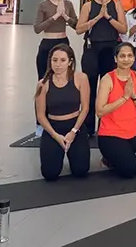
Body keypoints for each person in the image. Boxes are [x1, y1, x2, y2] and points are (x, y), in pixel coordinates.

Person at [95, 43, 136, 178]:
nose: (126, 59)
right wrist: (124, 97)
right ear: (115, 59)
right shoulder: (108, 79)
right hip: (111, 132)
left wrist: (133, 95)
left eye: (129, 56)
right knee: (129, 170)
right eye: (122, 56)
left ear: (134, 58)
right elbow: (100, 111)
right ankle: (110, 157)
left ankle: (130, 151)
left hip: (134, 130)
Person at [77, 0, 127, 133]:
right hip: (92, 50)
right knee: (89, 89)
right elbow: (79, 29)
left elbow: (123, 29)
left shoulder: (116, 5)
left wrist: (108, 16)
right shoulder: (88, 6)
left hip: (110, 50)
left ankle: (108, 126)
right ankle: (88, 127)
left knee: (110, 91)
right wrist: (98, 17)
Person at [35, 43, 90, 181]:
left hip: (75, 126)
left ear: (70, 62)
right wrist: (56, 136)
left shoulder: (81, 78)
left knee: (81, 171)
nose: (58, 64)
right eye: (55, 60)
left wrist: (73, 132)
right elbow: (41, 116)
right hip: (53, 127)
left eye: (62, 60)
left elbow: (85, 108)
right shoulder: (43, 84)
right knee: (50, 174)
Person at [34, 0, 78, 81]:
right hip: (47, 42)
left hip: (63, 41)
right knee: (44, 76)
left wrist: (65, 16)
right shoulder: (43, 5)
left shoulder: (68, 4)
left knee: (64, 76)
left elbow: (77, 25)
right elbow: (37, 28)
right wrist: (55, 16)